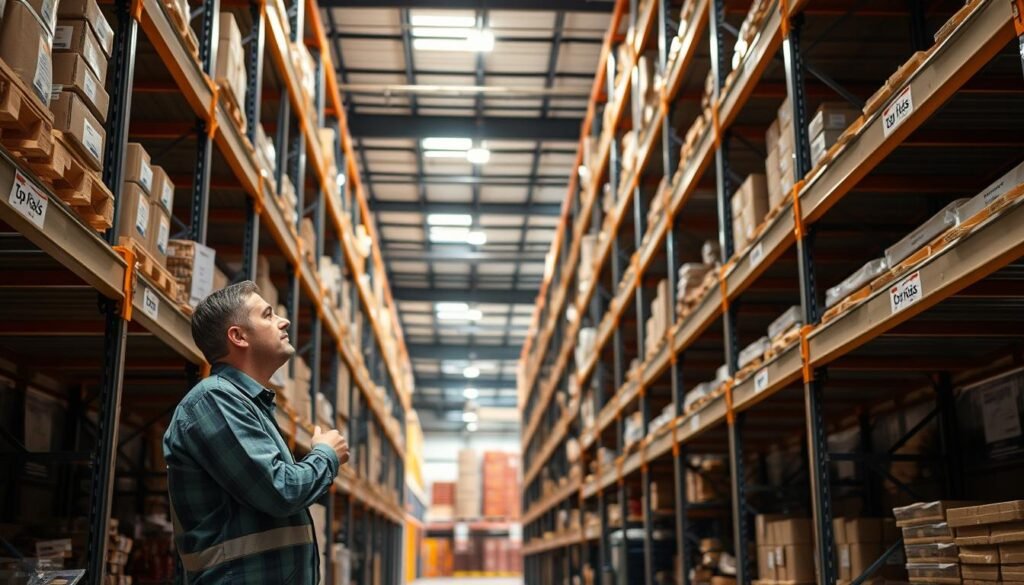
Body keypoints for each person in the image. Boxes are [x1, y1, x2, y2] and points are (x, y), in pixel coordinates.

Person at [163, 281, 350, 584]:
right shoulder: (213, 401)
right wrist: (325, 454)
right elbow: (281, 491)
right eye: (267, 315)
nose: (284, 321)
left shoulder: (247, 404)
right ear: (238, 336)